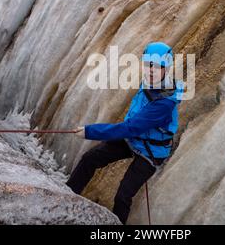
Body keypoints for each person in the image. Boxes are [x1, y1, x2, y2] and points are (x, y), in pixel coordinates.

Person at [66, 42, 184, 224]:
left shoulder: (164, 103)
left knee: (123, 196)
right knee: (90, 158)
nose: (151, 70)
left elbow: (131, 127)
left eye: (158, 67)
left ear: (166, 69)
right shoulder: (151, 83)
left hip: (150, 152)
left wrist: (90, 131)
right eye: (148, 65)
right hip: (134, 140)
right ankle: (67, 197)